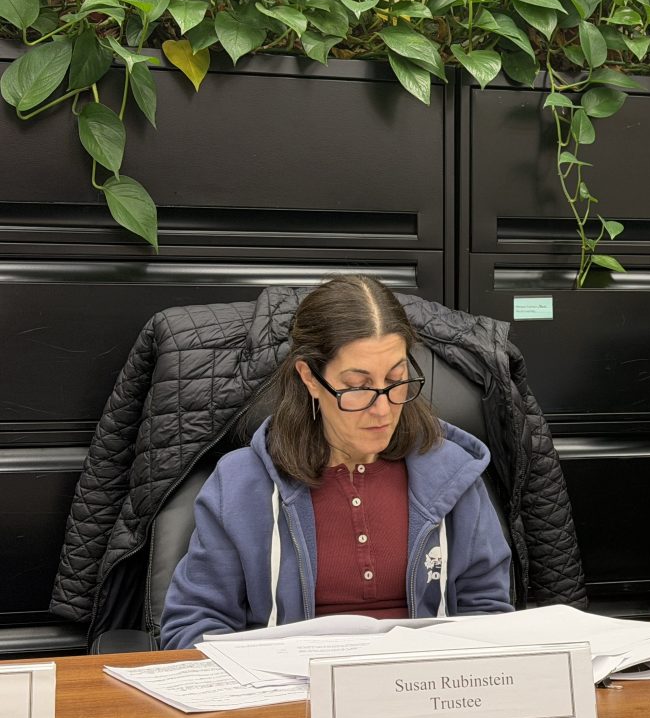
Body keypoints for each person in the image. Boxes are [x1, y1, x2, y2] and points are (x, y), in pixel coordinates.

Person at [160, 275, 512, 649]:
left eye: (396, 379)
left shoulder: (454, 473)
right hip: (293, 697)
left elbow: (487, 614)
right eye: (359, 387)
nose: (383, 409)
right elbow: (192, 628)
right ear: (310, 378)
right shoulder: (240, 484)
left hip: (425, 692)